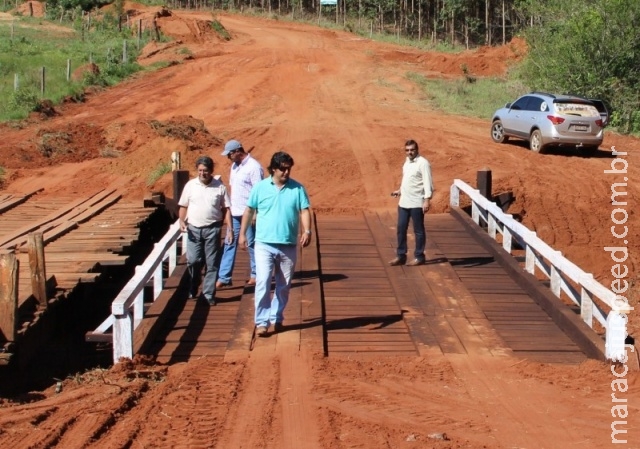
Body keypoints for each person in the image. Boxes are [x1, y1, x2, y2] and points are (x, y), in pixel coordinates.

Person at [239, 151, 312, 337]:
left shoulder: (297, 189)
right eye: (282, 169)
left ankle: (277, 317)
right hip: (264, 243)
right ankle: (262, 322)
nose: (286, 172)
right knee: (263, 282)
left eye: (288, 168)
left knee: (284, 285)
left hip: (288, 244)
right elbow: (248, 211)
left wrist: (307, 230)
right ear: (273, 169)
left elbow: (304, 210)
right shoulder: (260, 188)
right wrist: (242, 234)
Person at [178, 156, 233, 306]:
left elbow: (227, 209)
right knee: (194, 260)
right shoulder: (190, 185)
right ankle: (194, 284)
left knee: (212, 263)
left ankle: (208, 294)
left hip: (213, 229)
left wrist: (230, 229)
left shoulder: (219, 187)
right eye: (200, 170)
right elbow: (183, 206)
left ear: (211, 171)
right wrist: (181, 221)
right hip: (194, 229)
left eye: (206, 171)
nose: (202, 173)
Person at [216, 139, 264, 289]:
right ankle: (224, 276)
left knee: (251, 243)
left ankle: (256, 274)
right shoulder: (234, 166)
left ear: (237, 151)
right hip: (235, 212)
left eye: (229, 154)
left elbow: (259, 192)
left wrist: (255, 213)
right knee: (229, 242)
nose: (228, 157)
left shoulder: (254, 167)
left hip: (247, 213)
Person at [389, 139, 434, 267]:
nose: (410, 152)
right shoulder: (407, 162)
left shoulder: (423, 163)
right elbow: (407, 180)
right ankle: (401, 255)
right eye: (407, 150)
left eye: (412, 150)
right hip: (404, 202)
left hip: (416, 203)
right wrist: (400, 190)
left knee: (418, 231)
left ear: (417, 149)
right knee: (401, 229)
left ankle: (419, 256)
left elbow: (428, 183)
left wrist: (427, 200)